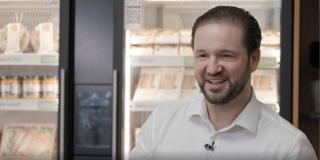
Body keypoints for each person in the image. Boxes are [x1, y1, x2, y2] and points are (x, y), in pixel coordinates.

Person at [130, 6, 317, 160]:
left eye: (226, 55)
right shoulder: (160, 122)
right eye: (203, 55)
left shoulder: (291, 148)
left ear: (253, 59)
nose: (212, 68)